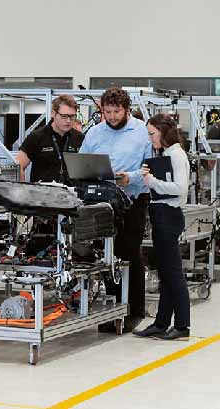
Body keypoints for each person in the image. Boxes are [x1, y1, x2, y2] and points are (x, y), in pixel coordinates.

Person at [79, 87, 151, 333]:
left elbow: (151, 167)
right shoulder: (95, 133)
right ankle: (113, 309)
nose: (111, 116)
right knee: (107, 256)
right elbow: (82, 162)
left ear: (126, 109)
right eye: (107, 112)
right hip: (103, 202)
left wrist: (130, 178)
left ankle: (134, 311)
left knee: (128, 253)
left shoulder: (142, 131)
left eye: (116, 111)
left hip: (133, 200)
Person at [134, 114, 191, 341]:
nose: (150, 139)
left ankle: (183, 326)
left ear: (163, 131)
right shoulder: (166, 154)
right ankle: (161, 323)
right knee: (166, 274)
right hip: (160, 214)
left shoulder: (176, 155)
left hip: (169, 215)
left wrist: (153, 182)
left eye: (152, 134)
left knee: (173, 274)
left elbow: (180, 188)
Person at [18, 95, 84, 184]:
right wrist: (22, 190)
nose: (68, 121)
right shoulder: (37, 137)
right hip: (43, 194)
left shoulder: (80, 138)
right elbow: (19, 167)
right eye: (64, 116)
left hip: (72, 194)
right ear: (53, 113)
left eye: (72, 116)